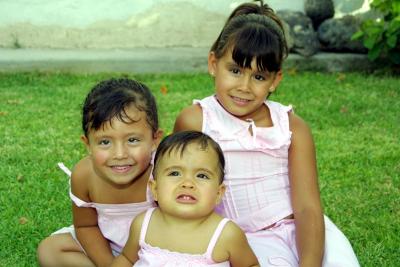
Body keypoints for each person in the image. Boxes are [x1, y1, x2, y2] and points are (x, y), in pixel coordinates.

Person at [173, 1, 360, 266]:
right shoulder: (196, 121)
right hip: (230, 240)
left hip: (295, 233)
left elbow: (307, 208)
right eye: (235, 70)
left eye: (259, 77)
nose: (244, 86)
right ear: (213, 63)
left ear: (275, 80)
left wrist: (309, 262)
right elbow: (172, 188)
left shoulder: (292, 128)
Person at [37, 78, 163, 267]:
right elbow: (86, 226)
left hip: (156, 247)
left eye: (133, 140)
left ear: (155, 140)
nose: (120, 154)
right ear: (88, 144)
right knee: (50, 250)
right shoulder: (84, 175)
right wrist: (111, 264)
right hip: (107, 244)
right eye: (105, 142)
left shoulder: (162, 172)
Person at [111, 131, 259, 267]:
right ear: (155, 189)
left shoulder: (227, 235)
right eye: (175, 173)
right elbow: (127, 259)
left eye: (202, 176)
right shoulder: (143, 224)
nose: (187, 183)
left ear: (218, 193)